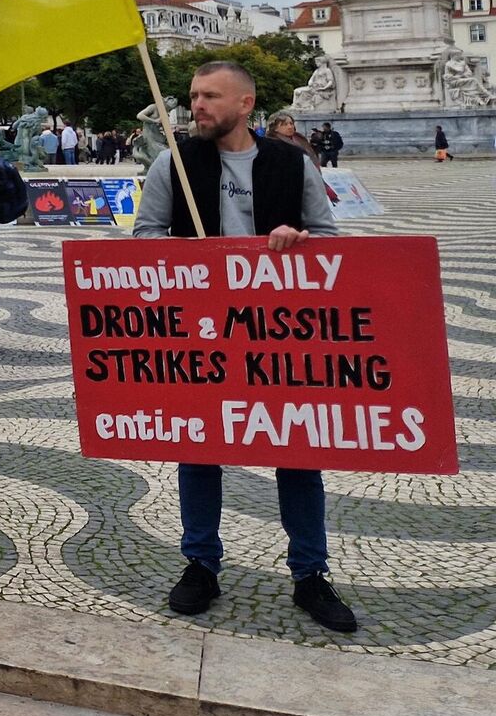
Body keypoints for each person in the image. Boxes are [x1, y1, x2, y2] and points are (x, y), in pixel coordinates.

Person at [134, 60, 353, 633]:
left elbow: (328, 240)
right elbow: (146, 236)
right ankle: (200, 563)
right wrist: (190, 254)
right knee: (199, 451)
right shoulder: (173, 162)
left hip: (278, 333)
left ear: (245, 103)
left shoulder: (289, 162)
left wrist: (296, 240)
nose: (197, 105)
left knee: (298, 454)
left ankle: (310, 573)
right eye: (192, 96)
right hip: (201, 334)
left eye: (210, 96)